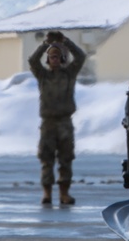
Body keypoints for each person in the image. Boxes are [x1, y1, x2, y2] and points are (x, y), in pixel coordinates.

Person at [28, 30, 86, 205]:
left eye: (56, 57)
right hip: (48, 123)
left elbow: (80, 57)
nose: (54, 60)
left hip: (64, 122)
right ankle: (47, 193)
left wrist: (65, 42)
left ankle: (64, 193)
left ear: (61, 59)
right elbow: (32, 61)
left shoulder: (69, 74)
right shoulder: (43, 75)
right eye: (51, 57)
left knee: (66, 159)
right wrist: (46, 44)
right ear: (48, 60)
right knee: (46, 159)